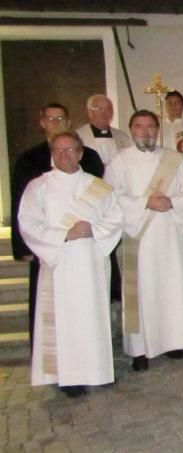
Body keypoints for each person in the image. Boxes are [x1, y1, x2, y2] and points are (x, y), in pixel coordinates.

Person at [18, 130, 123, 398]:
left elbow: (115, 219)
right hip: (59, 266)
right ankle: (68, 376)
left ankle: (97, 370)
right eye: (58, 150)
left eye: (69, 150)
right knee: (66, 320)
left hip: (91, 263)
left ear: (80, 153)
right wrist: (63, 234)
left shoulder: (98, 187)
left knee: (92, 317)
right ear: (52, 154)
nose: (64, 155)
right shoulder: (38, 187)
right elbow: (28, 223)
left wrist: (93, 230)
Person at [104, 110, 183, 372]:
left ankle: (174, 341)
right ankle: (139, 350)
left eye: (150, 127)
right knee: (139, 293)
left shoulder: (174, 160)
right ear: (131, 130)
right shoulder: (119, 163)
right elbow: (111, 196)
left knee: (172, 287)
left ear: (157, 129)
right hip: (139, 238)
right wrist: (145, 202)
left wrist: (172, 202)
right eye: (139, 127)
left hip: (169, 235)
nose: (145, 132)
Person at [10, 103, 105, 348]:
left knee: (89, 309)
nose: (55, 122)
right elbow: (22, 210)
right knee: (50, 308)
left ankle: (93, 362)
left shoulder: (91, 159)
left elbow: (106, 205)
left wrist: (96, 231)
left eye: (60, 118)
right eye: (50, 118)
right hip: (49, 249)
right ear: (42, 122)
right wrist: (23, 246)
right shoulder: (30, 160)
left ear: (68, 122)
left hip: (87, 253)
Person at [75, 94, 133, 166]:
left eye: (108, 109)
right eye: (99, 109)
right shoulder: (78, 136)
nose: (104, 113)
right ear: (89, 112)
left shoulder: (123, 137)